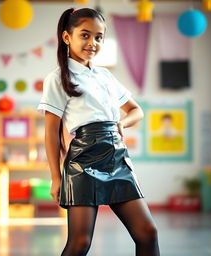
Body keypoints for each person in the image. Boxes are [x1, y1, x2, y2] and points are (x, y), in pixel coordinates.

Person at [38, 7, 160, 256]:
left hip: (117, 157)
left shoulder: (105, 76)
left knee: (148, 232)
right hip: (83, 161)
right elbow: (51, 132)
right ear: (66, 37)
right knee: (80, 243)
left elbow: (136, 110)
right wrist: (55, 176)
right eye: (85, 35)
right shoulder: (59, 77)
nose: (92, 43)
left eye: (99, 37)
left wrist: (122, 123)